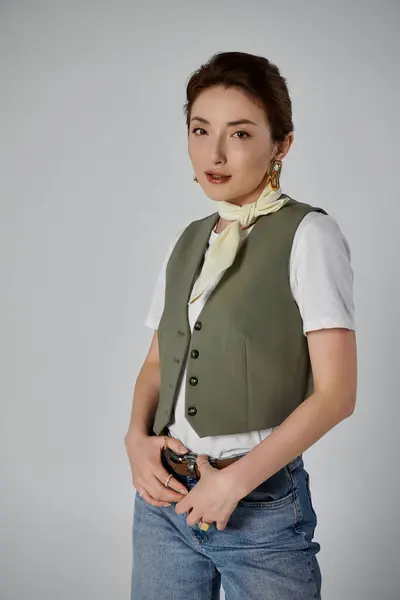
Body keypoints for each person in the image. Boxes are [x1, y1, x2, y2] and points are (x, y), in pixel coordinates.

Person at [124, 51, 357, 600]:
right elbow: (159, 361)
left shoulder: (309, 235)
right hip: (162, 502)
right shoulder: (187, 239)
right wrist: (136, 439)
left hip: (260, 512)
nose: (216, 152)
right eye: (200, 130)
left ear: (282, 144)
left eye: (241, 133)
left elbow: (337, 395)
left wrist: (234, 482)